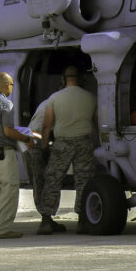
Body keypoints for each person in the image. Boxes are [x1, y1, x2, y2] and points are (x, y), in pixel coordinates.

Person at [39, 65, 98, 235]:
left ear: (64, 79)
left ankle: (46, 220)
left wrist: (44, 147)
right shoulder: (90, 97)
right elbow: (96, 123)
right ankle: (82, 220)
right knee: (84, 181)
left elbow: (47, 125)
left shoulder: (54, 98)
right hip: (84, 142)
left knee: (53, 179)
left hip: (62, 143)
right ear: (79, 79)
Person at [0, 72, 34, 239]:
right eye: (11, 85)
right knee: (9, 191)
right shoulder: (6, 104)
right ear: (7, 85)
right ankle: (2, 228)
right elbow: (8, 131)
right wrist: (26, 138)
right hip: (3, 154)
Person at [24, 98, 51, 215]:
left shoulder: (47, 101)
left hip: (29, 136)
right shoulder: (56, 103)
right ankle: (45, 217)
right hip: (35, 139)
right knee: (39, 178)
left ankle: (44, 214)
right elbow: (46, 126)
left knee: (37, 179)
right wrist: (45, 146)